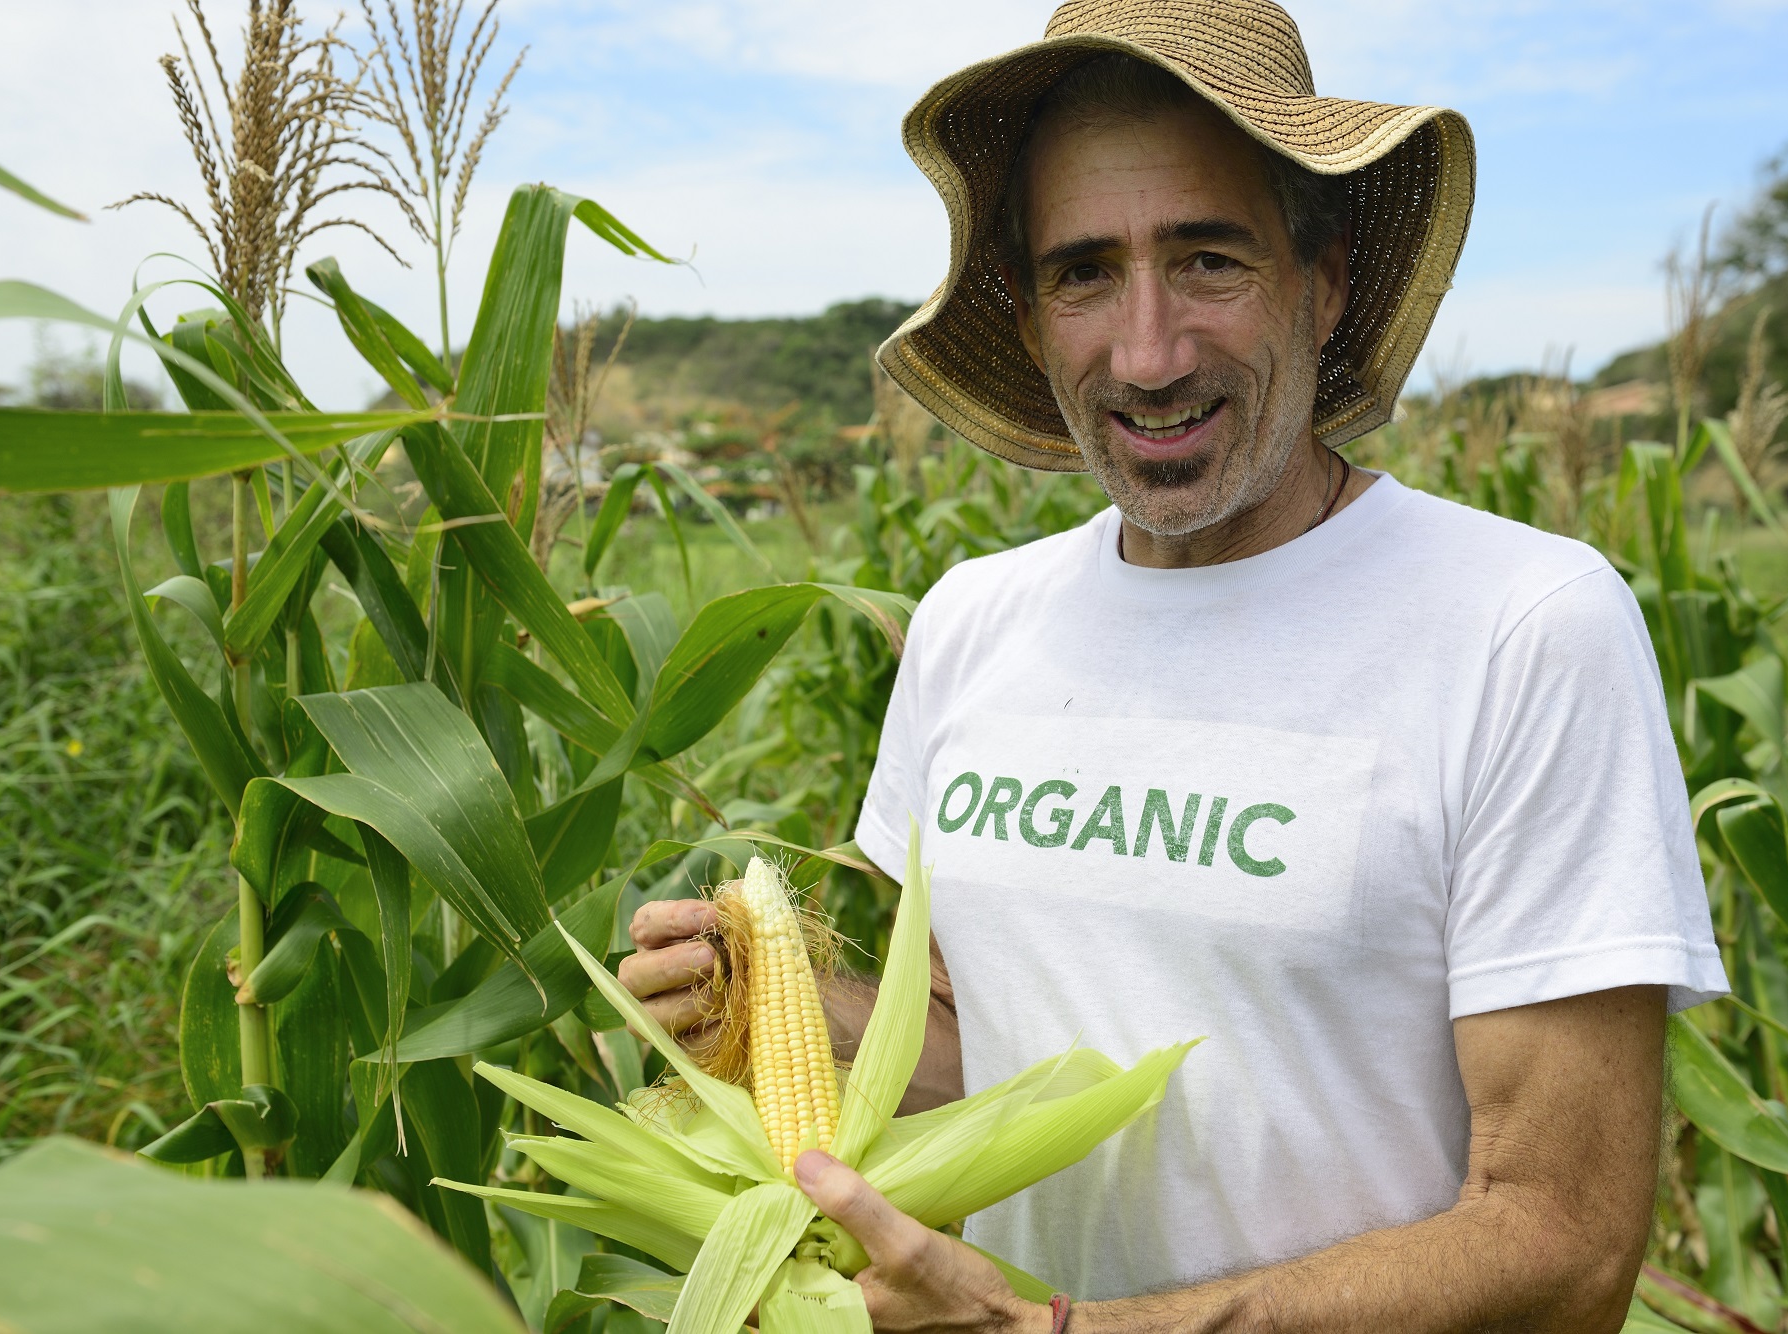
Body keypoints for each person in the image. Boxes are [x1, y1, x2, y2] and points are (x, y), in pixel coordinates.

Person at [622, 1, 1728, 1329]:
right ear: (1030, 321)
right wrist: (767, 1009)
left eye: (1207, 260)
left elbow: (1564, 1235)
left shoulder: (1523, 623)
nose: (1147, 354)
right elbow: (993, 1054)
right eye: (1086, 272)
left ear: (1323, 284)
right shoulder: (972, 621)